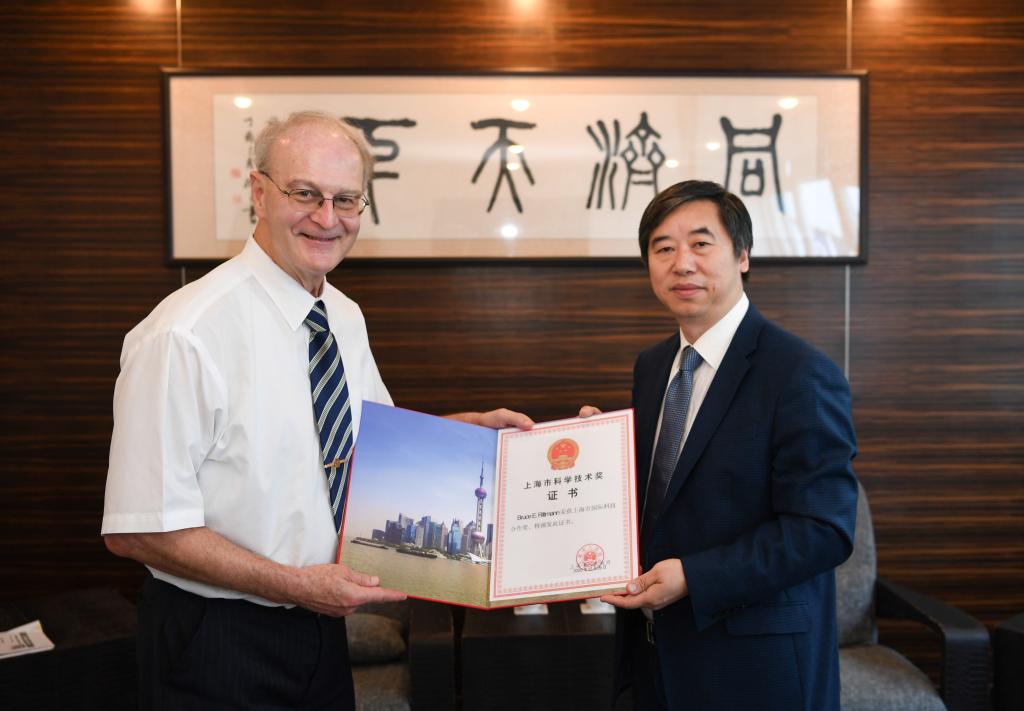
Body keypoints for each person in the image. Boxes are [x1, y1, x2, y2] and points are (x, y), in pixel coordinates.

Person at [102, 110, 533, 709]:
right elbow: (139, 529)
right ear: (259, 192)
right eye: (304, 194)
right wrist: (295, 585)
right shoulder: (185, 334)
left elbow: (365, 450)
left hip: (321, 626)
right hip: (215, 637)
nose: (327, 219)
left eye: (346, 200)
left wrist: (466, 432)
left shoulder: (343, 317)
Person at [594, 180, 858, 710]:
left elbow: (823, 530)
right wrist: (599, 455)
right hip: (655, 656)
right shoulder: (652, 367)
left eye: (700, 243)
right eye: (663, 248)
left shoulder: (800, 372)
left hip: (755, 668)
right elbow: (667, 496)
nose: (682, 264)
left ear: (742, 255)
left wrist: (694, 577)